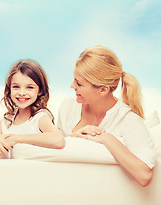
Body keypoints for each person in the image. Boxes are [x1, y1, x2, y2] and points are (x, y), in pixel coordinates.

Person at [57, 46, 157, 187]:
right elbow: (55, 149)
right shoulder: (67, 107)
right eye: (74, 80)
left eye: (79, 83)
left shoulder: (128, 119)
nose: (72, 86)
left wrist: (106, 138)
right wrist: (73, 139)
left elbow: (144, 175)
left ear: (103, 89)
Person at [0, 60, 65, 156]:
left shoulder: (39, 118)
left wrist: (15, 139)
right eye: (16, 87)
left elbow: (58, 140)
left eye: (30, 87)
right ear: (9, 89)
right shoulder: (8, 119)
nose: (22, 93)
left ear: (40, 90)